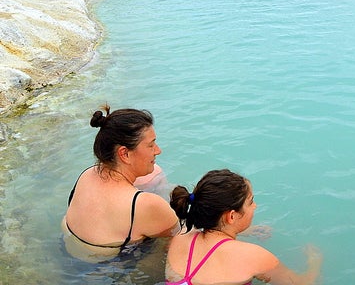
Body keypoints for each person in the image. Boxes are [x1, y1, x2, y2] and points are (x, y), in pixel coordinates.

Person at [62, 106, 180, 263]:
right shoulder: (145, 204)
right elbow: (180, 239)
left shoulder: (86, 175)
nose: (158, 151)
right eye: (151, 145)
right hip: (108, 270)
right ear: (124, 154)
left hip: (67, 252)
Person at [166, 169, 322, 285]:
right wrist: (315, 262)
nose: (255, 206)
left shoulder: (180, 239)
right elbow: (301, 283)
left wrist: (245, 231)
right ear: (231, 216)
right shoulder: (255, 257)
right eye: (250, 202)